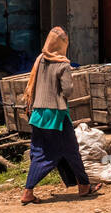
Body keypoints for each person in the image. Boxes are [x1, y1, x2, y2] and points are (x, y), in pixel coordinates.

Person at [20, 27, 102, 203]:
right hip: (55, 115)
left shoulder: (40, 59)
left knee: (58, 150)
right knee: (51, 153)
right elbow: (67, 90)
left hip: (38, 113)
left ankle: (84, 186)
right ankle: (28, 191)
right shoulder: (63, 64)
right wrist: (68, 75)